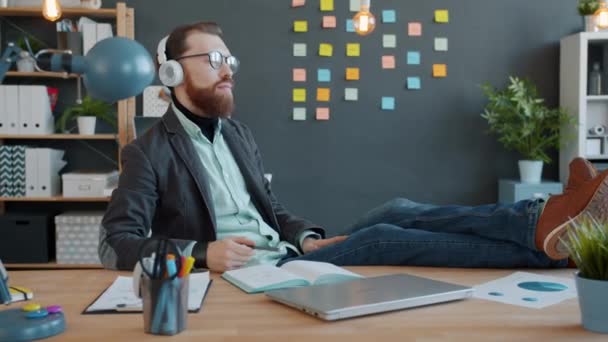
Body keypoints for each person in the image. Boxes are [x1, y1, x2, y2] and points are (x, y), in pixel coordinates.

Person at [99, 21, 608, 272]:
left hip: (288, 255)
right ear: (171, 71)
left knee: (397, 207)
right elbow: (114, 246)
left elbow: (271, 210)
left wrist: (305, 238)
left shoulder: (237, 133)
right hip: (256, 274)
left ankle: (543, 225)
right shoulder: (148, 151)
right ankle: (549, 242)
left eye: (229, 57)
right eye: (213, 58)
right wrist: (201, 253)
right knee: (384, 235)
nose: (228, 68)